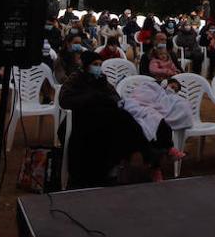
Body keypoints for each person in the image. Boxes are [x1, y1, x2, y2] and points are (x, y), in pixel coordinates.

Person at [57, 52, 163, 186]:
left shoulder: (102, 80)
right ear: (86, 65)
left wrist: (103, 99)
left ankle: (147, 159)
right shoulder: (76, 79)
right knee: (119, 120)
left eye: (100, 65)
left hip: (103, 119)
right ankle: (150, 157)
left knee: (124, 118)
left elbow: (115, 98)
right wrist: (90, 98)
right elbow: (64, 100)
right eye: (95, 65)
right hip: (80, 119)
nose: (98, 67)